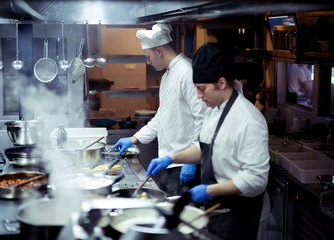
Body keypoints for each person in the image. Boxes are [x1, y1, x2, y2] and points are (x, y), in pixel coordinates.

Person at [145, 42, 270, 240]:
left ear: (221, 83)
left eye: (202, 89)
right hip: (216, 211)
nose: (198, 95)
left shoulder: (248, 119)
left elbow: (256, 180)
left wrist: (209, 190)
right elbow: (203, 148)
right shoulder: (213, 111)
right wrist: (171, 158)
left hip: (240, 214)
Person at [113, 23, 207, 196]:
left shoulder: (187, 72)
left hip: (184, 164)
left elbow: (203, 118)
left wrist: (192, 161)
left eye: (147, 56)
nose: (147, 62)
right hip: (169, 161)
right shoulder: (167, 75)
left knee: (181, 217)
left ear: (159, 51)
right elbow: (161, 117)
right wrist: (133, 139)